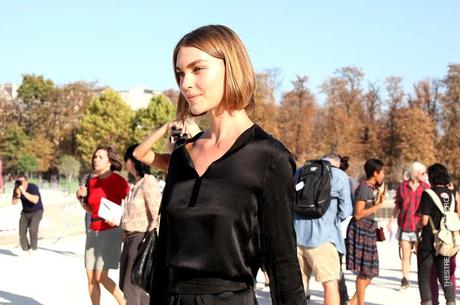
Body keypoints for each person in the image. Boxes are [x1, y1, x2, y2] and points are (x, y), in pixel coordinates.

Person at [149, 25, 306, 305]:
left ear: (230, 67)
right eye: (180, 73)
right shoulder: (181, 158)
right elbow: (163, 256)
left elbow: (282, 264)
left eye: (198, 69)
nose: (185, 83)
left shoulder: (269, 157)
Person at [294, 153, 353, 305]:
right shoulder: (339, 175)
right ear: (337, 164)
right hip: (324, 238)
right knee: (330, 285)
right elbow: (346, 210)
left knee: (299, 287)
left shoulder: (300, 171)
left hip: (297, 236)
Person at [76, 145, 130, 305]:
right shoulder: (91, 182)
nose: (96, 159)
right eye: (95, 156)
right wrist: (80, 199)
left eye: (100, 157)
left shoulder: (119, 181)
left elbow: (130, 204)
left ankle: (124, 302)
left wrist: (123, 225)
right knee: (90, 276)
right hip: (93, 230)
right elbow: (90, 209)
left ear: (110, 162)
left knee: (101, 276)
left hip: (111, 231)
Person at [119, 144, 162, 305]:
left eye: (127, 159)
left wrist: (149, 240)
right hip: (129, 240)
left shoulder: (148, 182)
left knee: (132, 287)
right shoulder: (134, 185)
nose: (126, 163)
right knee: (127, 284)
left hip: (140, 239)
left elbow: (157, 212)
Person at [416, 163, 457, 305]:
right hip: (445, 242)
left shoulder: (428, 193)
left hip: (428, 241)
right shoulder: (452, 195)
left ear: (432, 176)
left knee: (425, 275)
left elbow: (425, 220)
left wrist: (417, 226)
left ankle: (427, 302)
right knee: (446, 276)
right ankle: (451, 301)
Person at [346, 159, 385, 305]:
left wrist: (378, 199)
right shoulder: (363, 188)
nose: (383, 176)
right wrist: (377, 206)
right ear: (375, 173)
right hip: (361, 231)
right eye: (382, 172)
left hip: (369, 231)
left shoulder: (371, 188)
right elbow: (358, 214)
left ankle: (352, 303)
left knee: (370, 271)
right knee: (364, 271)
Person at [387, 161, 429, 289]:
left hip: (419, 227)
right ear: (415, 174)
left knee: (421, 255)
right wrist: (391, 220)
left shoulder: (426, 188)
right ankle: (405, 280)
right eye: (422, 173)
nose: (425, 175)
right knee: (406, 255)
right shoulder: (402, 187)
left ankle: (423, 280)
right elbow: (398, 205)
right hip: (405, 225)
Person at [133, 119, 201, 173]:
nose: (176, 140)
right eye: (174, 135)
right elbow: (138, 153)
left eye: (183, 136)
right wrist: (165, 127)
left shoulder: (203, 160)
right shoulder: (170, 162)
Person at [11, 174, 44, 254]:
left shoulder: (32, 187)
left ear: (26, 182)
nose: (20, 183)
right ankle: (26, 250)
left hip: (37, 211)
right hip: (25, 212)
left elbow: (35, 200)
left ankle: (34, 249)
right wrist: (17, 195)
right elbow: (13, 203)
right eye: (18, 182)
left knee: (33, 229)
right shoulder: (17, 188)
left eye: (21, 182)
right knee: (21, 233)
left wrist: (24, 192)